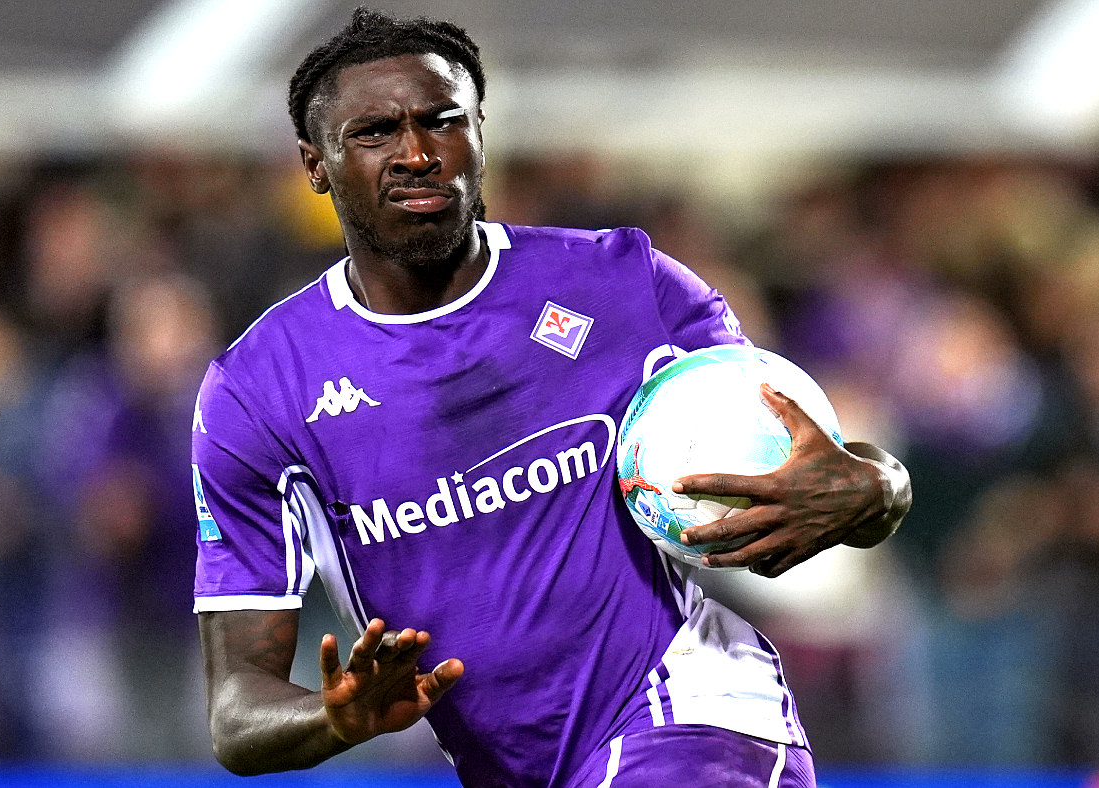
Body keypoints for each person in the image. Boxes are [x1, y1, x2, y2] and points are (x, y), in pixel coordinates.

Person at [190, 8, 911, 786]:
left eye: (443, 121)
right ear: (315, 164)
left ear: (480, 134)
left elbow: (800, 460)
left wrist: (878, 489)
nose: (418, 154)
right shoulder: (259, 392)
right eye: (374, 133)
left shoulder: (623, 284)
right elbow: (237, 714)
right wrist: (331, 719)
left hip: (694, 710)